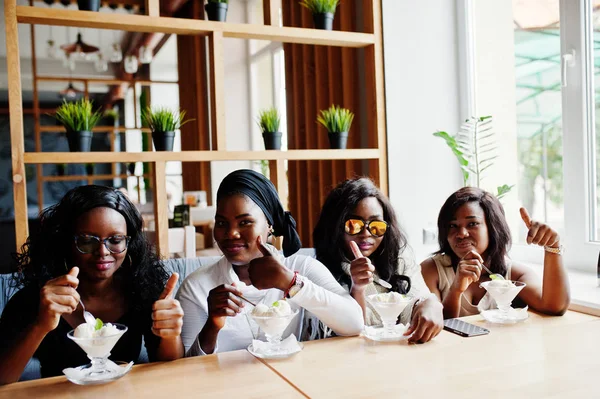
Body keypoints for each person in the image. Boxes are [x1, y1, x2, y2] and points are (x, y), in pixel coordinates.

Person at [0, 185, 184, 384]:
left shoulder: (142, 289)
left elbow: (169, 369)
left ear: (129, 243)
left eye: (115, 240)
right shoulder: (38, 299)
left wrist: (171, 335)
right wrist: (40, 325)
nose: (103, 251)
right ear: (65, 242)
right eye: (87, 241)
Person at [177, 169, 363, 356]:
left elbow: (354, 323)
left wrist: (290, 283)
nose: (231, 233)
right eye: (222, 223)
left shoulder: (302, 268)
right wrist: (212, 325)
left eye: (245, 222)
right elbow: (185, 370)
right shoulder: (197, 287)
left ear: (269, 225)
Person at [313, 177, 443, 343]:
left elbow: (417, 299)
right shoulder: (320, 271)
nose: (366, 233)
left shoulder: (399, 258)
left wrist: (430, 303)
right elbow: (352, 332)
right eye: (354, 224)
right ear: (335, 227)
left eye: (376, 225)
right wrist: (357, 288)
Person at [421, 187, 570, 319]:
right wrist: (456, 289)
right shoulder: (431, 270)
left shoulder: (514, 274)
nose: (461, 234)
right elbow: (435, 324)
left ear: (493, 227)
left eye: (472, 224)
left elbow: (554, 307)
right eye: (452, 225)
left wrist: (552, 247)